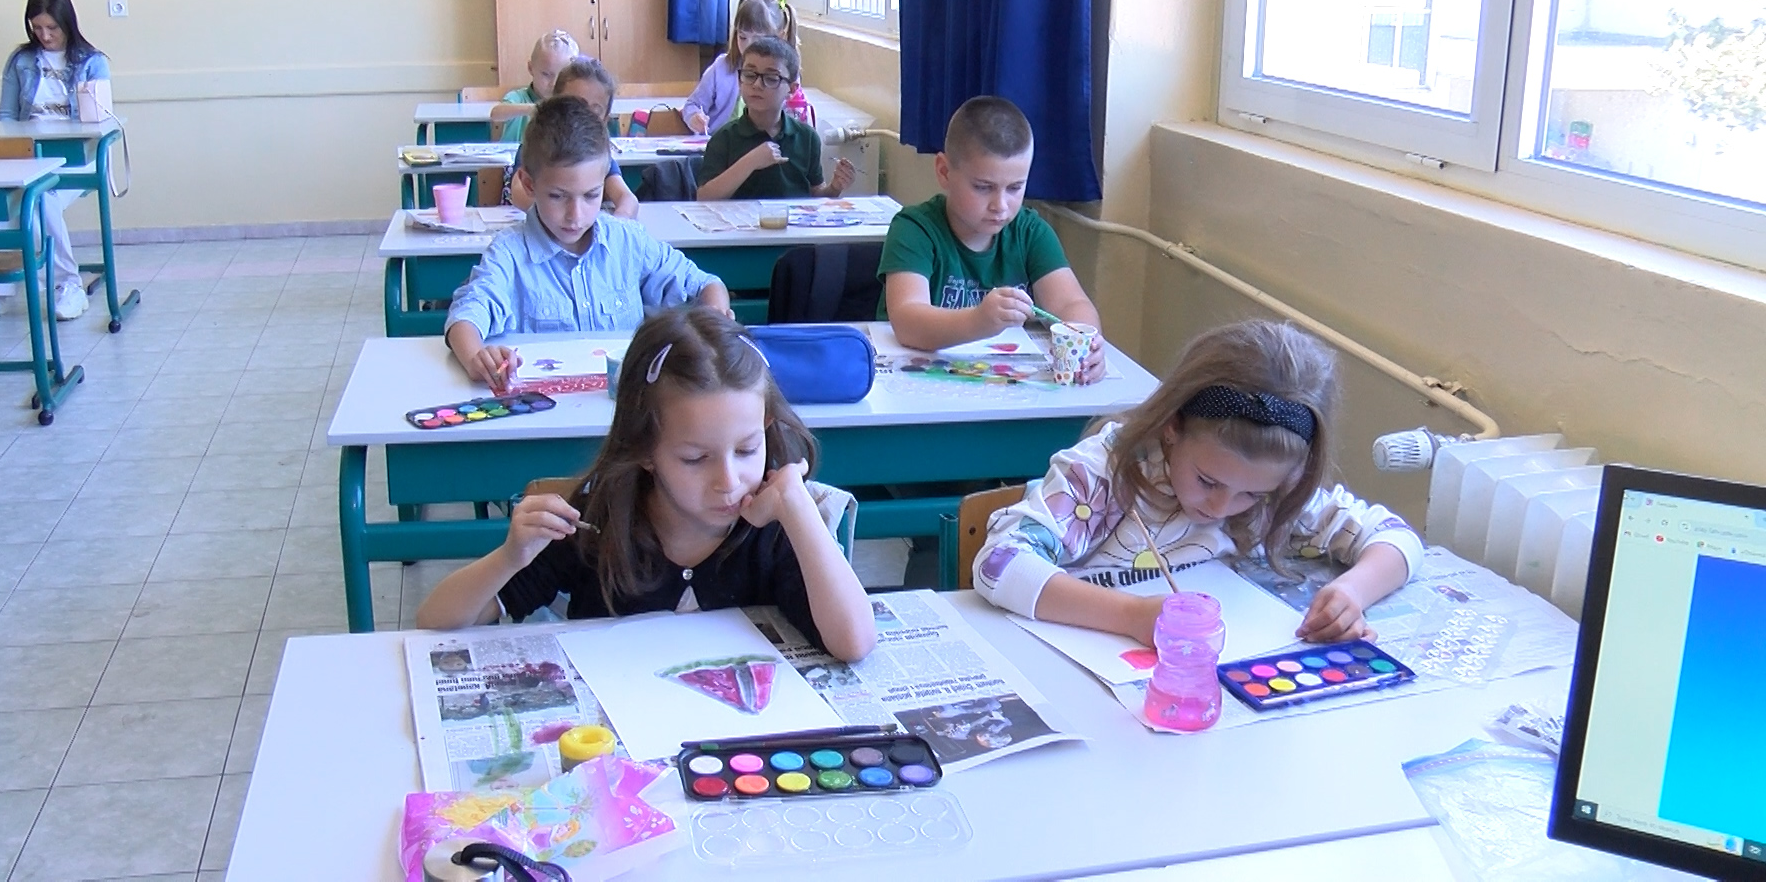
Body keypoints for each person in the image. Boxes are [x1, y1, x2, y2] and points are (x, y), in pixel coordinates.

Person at [416, 305, 877, 661]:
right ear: (645, 450)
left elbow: (854, 642)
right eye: (695, 458)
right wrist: (509, 558)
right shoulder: (598, 524)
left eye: (747, 450)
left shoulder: (775, 530)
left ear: (767, 427)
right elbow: (435, 624)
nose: (728, 481)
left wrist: (799, 508)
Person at [974, 319, 1423, 646]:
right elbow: (999, 563)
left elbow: (1396, 538)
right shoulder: (1106, 473)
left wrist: (1352, 591)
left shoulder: (1280, 495)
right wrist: (1131, 616)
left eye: (1253, 494)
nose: (1222, 507)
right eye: (1207, 480)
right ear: (1172, 427)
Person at [444, 96, 730, 392]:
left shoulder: (627, 241)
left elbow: (706, 284)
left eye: (592, 195)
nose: (575, 215)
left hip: (624, 406)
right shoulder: (509, 254)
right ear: (529, 184)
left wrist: (714, 319)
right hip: (545, 406)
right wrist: (477, 357)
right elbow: (465, 316)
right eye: (558, 196)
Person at [877, 95, 1105, 382]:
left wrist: (1087, 344)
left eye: (1015, 188)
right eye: (983, 187)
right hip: (915, 383)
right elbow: (908, 321)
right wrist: (979, 321)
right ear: (944, 172)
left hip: (1001, 385)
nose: (1001, 205)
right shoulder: (915, 229)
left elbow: (1071, 303)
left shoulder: (1030, 232)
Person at [0, 0, 107, 324]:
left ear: (67, 23)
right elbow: (7, 116)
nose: (44, 35)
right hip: (30, 156)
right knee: (4, 198)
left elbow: (98, 122)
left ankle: (68, 285)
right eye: (36, 28)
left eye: (51, 28)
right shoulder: (21, 61)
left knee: (43, 198)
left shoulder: (92, 62)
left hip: (76, 157)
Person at [694, 38, 855, 201]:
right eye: (749, 75)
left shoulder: (807, 137)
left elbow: (815, 195)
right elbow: (705, 198)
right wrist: (751, 161)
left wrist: (834, 188)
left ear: (792, 89)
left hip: (792, 217)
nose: (757, 85)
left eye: (771, 78)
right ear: (739, 80)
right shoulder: (724, 138)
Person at [503, 56, 638, 219]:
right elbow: (519, 194)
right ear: (554, 105)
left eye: (595, 110)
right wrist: (564, 212)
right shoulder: (536, 146)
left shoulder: (597, 154)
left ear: (604, 120)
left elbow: (627, 199)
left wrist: (617, 221)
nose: (584, 115)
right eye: (575, 106)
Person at [682, 0, 811, 135]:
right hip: (721, 143)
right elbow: (692, 104)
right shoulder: (721, 67)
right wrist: (694, 117)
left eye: (758, 39)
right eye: (742, 37)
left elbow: (794, 122)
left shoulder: (786, 74)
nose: (748, 45)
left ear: (779, 37)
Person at [494, 29, 580, 144]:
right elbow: (496, 114)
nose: (553, 83)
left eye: (561, 76)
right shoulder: (519, 97)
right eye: (546, 74)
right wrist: (535, 108)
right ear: (531, 68)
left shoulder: (570, 103)